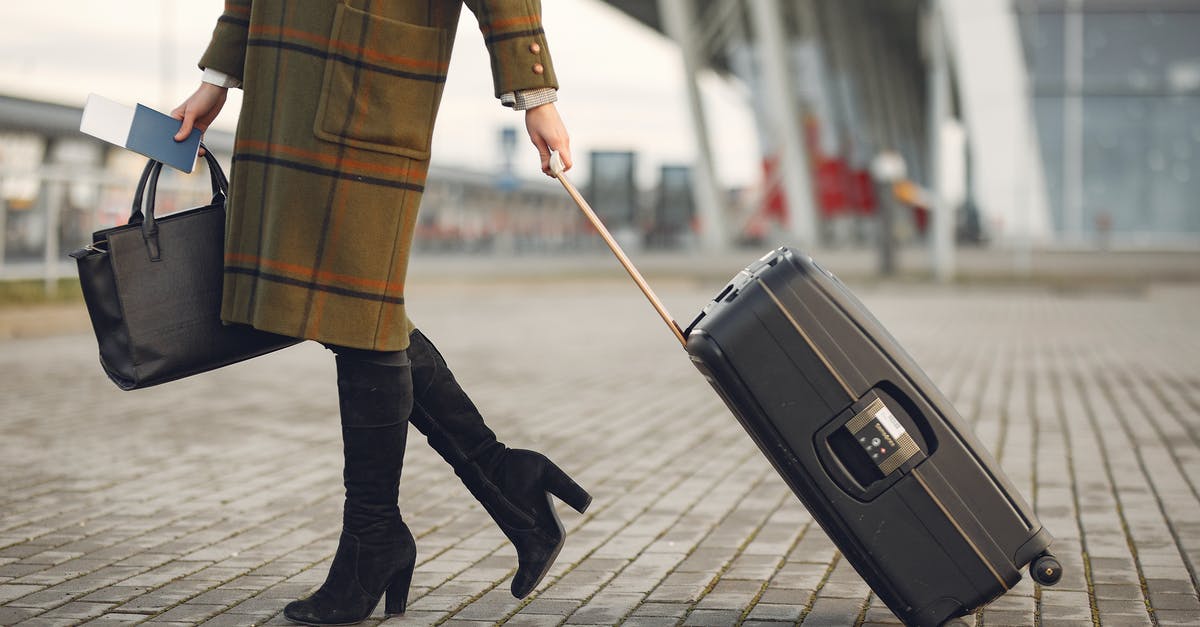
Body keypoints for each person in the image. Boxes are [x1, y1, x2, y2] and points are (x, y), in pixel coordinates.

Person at [171, 2, 590, 624]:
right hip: (282, 74)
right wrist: (219, 74)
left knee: (360, 311)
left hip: (369, 73)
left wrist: (535, 93)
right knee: (355, 311)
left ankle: (382, 536)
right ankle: (503, 484)